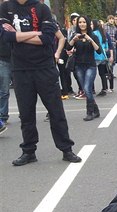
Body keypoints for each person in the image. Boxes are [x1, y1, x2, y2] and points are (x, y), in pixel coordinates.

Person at [0, 0, 81, 165]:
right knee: (26, 113)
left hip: (44, 67)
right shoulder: (5, 8)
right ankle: (28, 151)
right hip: (20, 69)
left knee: (55, 111)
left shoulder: (41, 8)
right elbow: (7, 36)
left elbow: (47, 38)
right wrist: (34, 33)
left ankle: (66, 149)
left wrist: (19, 36)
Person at [68, 15, 102, 121]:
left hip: (90, 66)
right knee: (85, 89)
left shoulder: (93, 35)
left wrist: (90, 40)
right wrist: (74, 40)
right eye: (80, 22)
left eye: (84, 22)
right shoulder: (75, 35)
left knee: (87, 89)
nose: (82, 24)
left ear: (87, 23)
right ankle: (96, 110)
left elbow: (99, 50)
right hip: (79, 66)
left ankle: (90, 112)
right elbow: (68, 47)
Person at [93, 19, 113, 97]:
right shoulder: (103, 33)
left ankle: (92, 89)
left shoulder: (94, 33)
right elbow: (106, 45)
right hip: (103, 55)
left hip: (95, 55)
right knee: (102, 73)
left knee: (92, 73)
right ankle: (104, 88)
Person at [0, 25, 10, 133]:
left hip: (17, 58)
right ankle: (3, 116)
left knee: (23, 90)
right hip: (3, 59)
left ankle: (25, 114)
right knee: (4, 91)